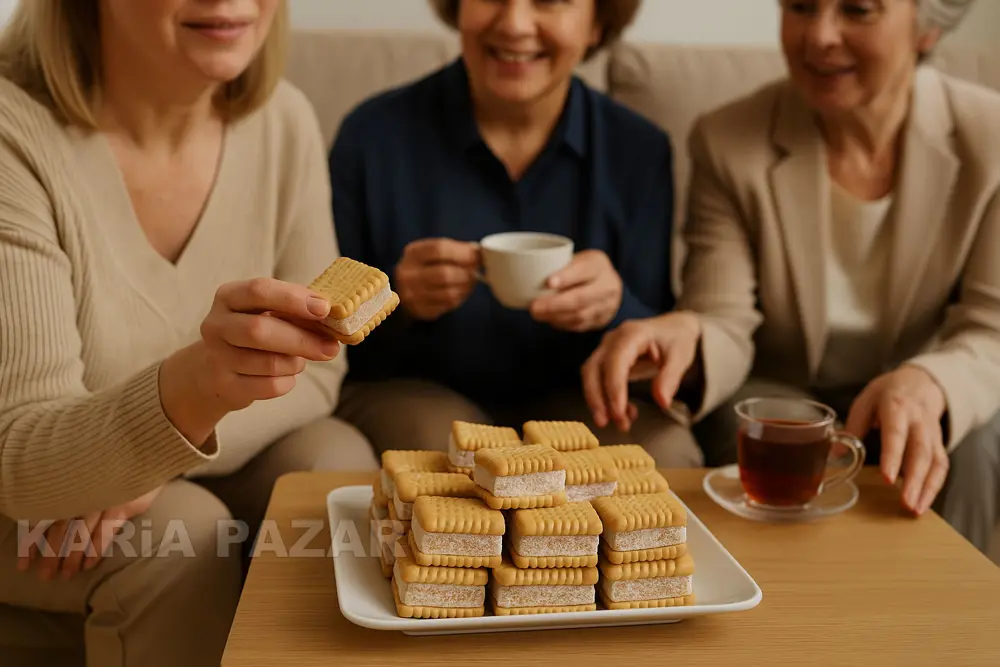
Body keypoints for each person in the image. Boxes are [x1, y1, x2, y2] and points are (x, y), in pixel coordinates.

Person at [0, 1, 377, 665]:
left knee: (333, 461)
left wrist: (161, 451)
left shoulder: (283, 119)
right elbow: (22, 460)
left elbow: (319, 367)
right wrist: (186, 397)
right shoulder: (14, 138)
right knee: (181, 533)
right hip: (27, 500)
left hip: (148, 469)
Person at [583, 0, 1000, 553]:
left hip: (918, 382)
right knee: (763, 425)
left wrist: (931, 381)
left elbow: (990, 327)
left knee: (974, 436)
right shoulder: (727, 140)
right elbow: (723, 316)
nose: (819, 36)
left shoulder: (991, 139)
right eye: (801, 7)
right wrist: (687, 331)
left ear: (926, 29)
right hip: (781, 390)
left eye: (857, 10)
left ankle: (959, 604)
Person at [329, 0, 701, 466]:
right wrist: (397, 300)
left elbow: (658, 334)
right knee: (450, 455)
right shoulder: (372, 136)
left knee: (667, 452)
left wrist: (617, 307)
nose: (514, 24)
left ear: (598, 23)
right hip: (416, 393)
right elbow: (328, 337)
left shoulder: (638, 150)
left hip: (579, 396)